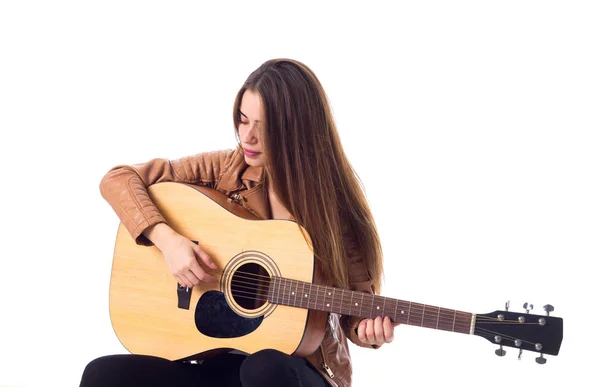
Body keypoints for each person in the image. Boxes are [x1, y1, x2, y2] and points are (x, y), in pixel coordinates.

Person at [81, 58, 398, 387]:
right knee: (103, 375)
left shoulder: (335, 208)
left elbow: (359, 307)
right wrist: (169, 242)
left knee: (264, 368)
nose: (247, 137)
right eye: (242, 120)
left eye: (262, 128)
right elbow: (118, 179)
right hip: (217, 356)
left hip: (297, 370)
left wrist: (367, 330)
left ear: (296, 130)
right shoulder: (225, 169)